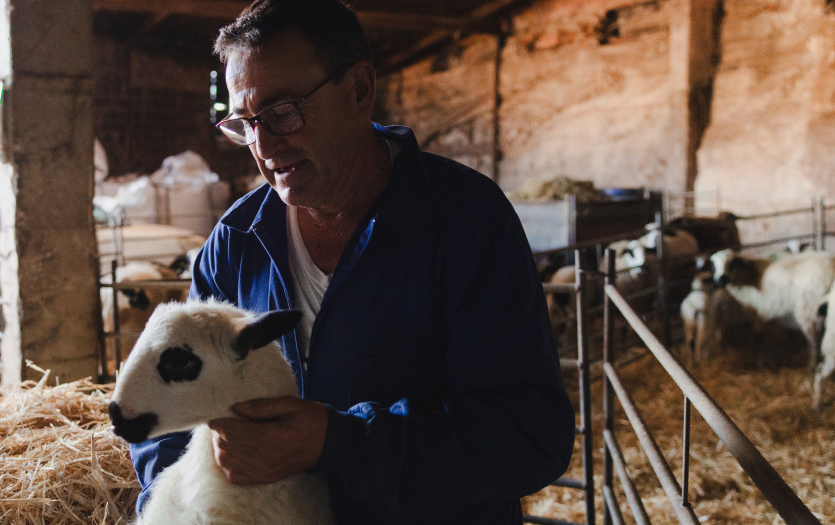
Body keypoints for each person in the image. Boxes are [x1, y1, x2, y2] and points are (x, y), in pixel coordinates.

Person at [126, 0, 575, 522]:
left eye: (282, 112)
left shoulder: (464, 221)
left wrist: (337, 442)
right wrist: (171, 508)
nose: (264, 145)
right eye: (245, 123)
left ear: (361, 89)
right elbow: (172, 413)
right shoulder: (236, 242)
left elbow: (528, 435)